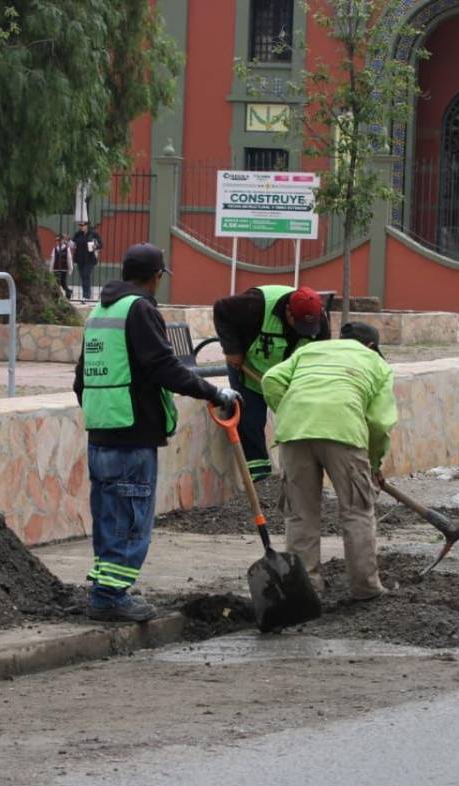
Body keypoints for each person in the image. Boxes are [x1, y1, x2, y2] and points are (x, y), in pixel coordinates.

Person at [74, 242, 241, 622]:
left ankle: (106, 590)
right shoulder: (140, 309)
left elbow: (80, 378)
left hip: (102, 430)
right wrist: (214, 391)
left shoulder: (101, 311)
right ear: (157, 276)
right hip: (132, 433)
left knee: (108, 516)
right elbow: (163, 367)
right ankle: (110, 597)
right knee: (130, 518)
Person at [261, 321, 398, 601]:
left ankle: (306, 587)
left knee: (300, 513)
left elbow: (270, 380)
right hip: (344, 432)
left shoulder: (310, 350)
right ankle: (366, 588)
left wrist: (290, 410)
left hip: (295, 431)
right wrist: (373, 464)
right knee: (356, 511)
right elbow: (379, 423)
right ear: (371, 346)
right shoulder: (376, 363)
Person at [212, 285, 329, 481]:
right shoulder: (255, 305)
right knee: (250, 418)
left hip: (287, 377)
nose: (303, 331)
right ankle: (259, 479)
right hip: (250, 369)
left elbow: (321, 355)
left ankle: (298, 475)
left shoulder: (318, 320)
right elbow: (221, 309)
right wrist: (232, 349)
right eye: (298, 324)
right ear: (288, 312)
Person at [71, 220, 103, 303]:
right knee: (83, 277)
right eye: (80, 225)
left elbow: (101, 244)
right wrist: (69, 243)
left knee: (86, 275)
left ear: (87, 225)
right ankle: (86, 294)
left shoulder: (93, 234)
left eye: (83, 225)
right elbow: (73, 244)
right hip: (79, 258)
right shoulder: (78, 234)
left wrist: (94, 246)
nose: (81, 227)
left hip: (90, 259)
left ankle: (86, 296)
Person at [50, 233, 74, 299]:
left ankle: (68, 292)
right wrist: (51, 269)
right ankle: (59, 295)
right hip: (56, 269)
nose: (58, 242)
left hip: (64, 269)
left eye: (60, 240)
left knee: (63, 283)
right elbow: (53, 259)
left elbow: (69, 259)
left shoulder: (67, 249)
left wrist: (70, 269)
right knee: (57, 283)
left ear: (63, 240)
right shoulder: (54, 249)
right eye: (57, 240)